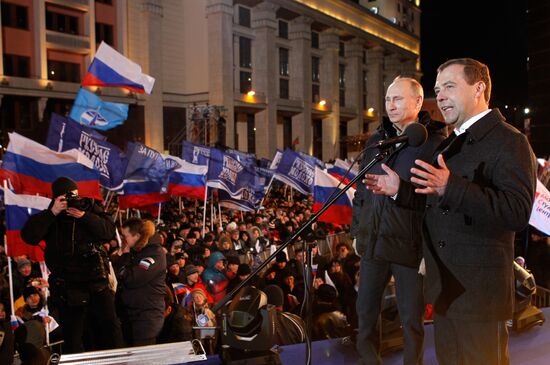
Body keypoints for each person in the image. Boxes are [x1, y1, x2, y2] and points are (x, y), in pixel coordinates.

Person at [364, 58, 537, 364]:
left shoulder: (510, 141)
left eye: (449, 87)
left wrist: (451, 187)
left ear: (479, 88)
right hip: (446, 290)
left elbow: (517, 212)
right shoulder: (453, 144)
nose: (440, 95)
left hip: (479, 296)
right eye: (437, 89)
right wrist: (400, 191)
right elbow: (438, 204)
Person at [352, 77, 446, 365]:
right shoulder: (376, 140)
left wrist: (427, 252)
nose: (390, 106)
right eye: (387, 100)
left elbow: (438, 203)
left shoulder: (433, 145)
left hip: (409, 246)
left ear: (418, 102)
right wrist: (358, 232)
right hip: (373, 242)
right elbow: (361, 192)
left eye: (398, 99)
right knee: (365, 313)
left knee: (411, 320)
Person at [21, 176, 123, 353]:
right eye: (65, 197)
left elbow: (108, 232)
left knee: (110, 328)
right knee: (74, 337)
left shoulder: (89, 207)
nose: (71, 200)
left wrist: (85, 216)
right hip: (68, 287)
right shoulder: (51, 215)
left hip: (96, 282)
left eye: (73, 196)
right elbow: (29, 236)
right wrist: (52, 212)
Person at [115, 218, 167, 347]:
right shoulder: (138, 252)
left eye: (125, 236)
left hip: (147, 317)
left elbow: (132, 279)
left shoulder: (154, 254)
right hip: (133, 315)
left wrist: (124, 257)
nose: (123, 240)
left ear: (137, 236)